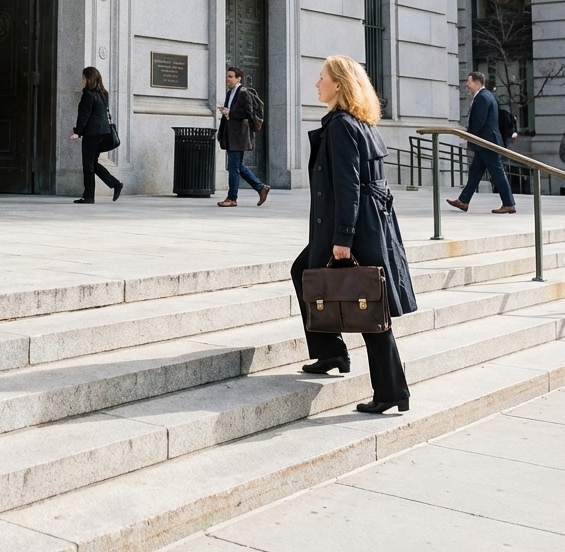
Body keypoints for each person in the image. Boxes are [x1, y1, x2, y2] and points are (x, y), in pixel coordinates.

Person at [290, 55, 417, 415]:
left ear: (339, 86)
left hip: (353, 227)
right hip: (367, 223)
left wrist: (343, 238)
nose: (317, 84)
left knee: (367, 304)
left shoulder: (343, 125)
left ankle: (392, 390)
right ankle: (330, 352)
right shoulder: (361, 123)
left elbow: (350, 187)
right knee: (305, 272)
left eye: (321, 78)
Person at [447, 72, 516, 214]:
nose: (467, 85)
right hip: (485, 143)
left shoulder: (483, 97)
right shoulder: (487, 96)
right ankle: (463, 201)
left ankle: (509, 203)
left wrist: (469, 135)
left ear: (478, 82)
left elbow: (479, 121)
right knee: (475, 172)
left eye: (469, 81)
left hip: (487, 143)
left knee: (497, 173)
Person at [216, 66, 270, 207]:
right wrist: (225, 113)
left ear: (239, 78)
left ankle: (232, 198)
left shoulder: (243, 92)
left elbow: (248, 113)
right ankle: (261, 187)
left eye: (231, 77)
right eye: (227, 76)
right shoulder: (230, 93)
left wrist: (231, 113)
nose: (228, 79)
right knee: (238, 166)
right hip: (231, 135)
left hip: (239, 136)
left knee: (233, 167)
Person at [69, 66, 123, 204]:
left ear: (88, 79)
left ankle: (88, 197)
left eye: (83, 78)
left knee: (88, 165)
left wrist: (78, 133)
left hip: (92, 134)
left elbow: (84, 115)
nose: (82, 80)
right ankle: (115, 184)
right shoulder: (103, 93)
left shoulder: (88, 95)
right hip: (103, 133)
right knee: (92, 163)